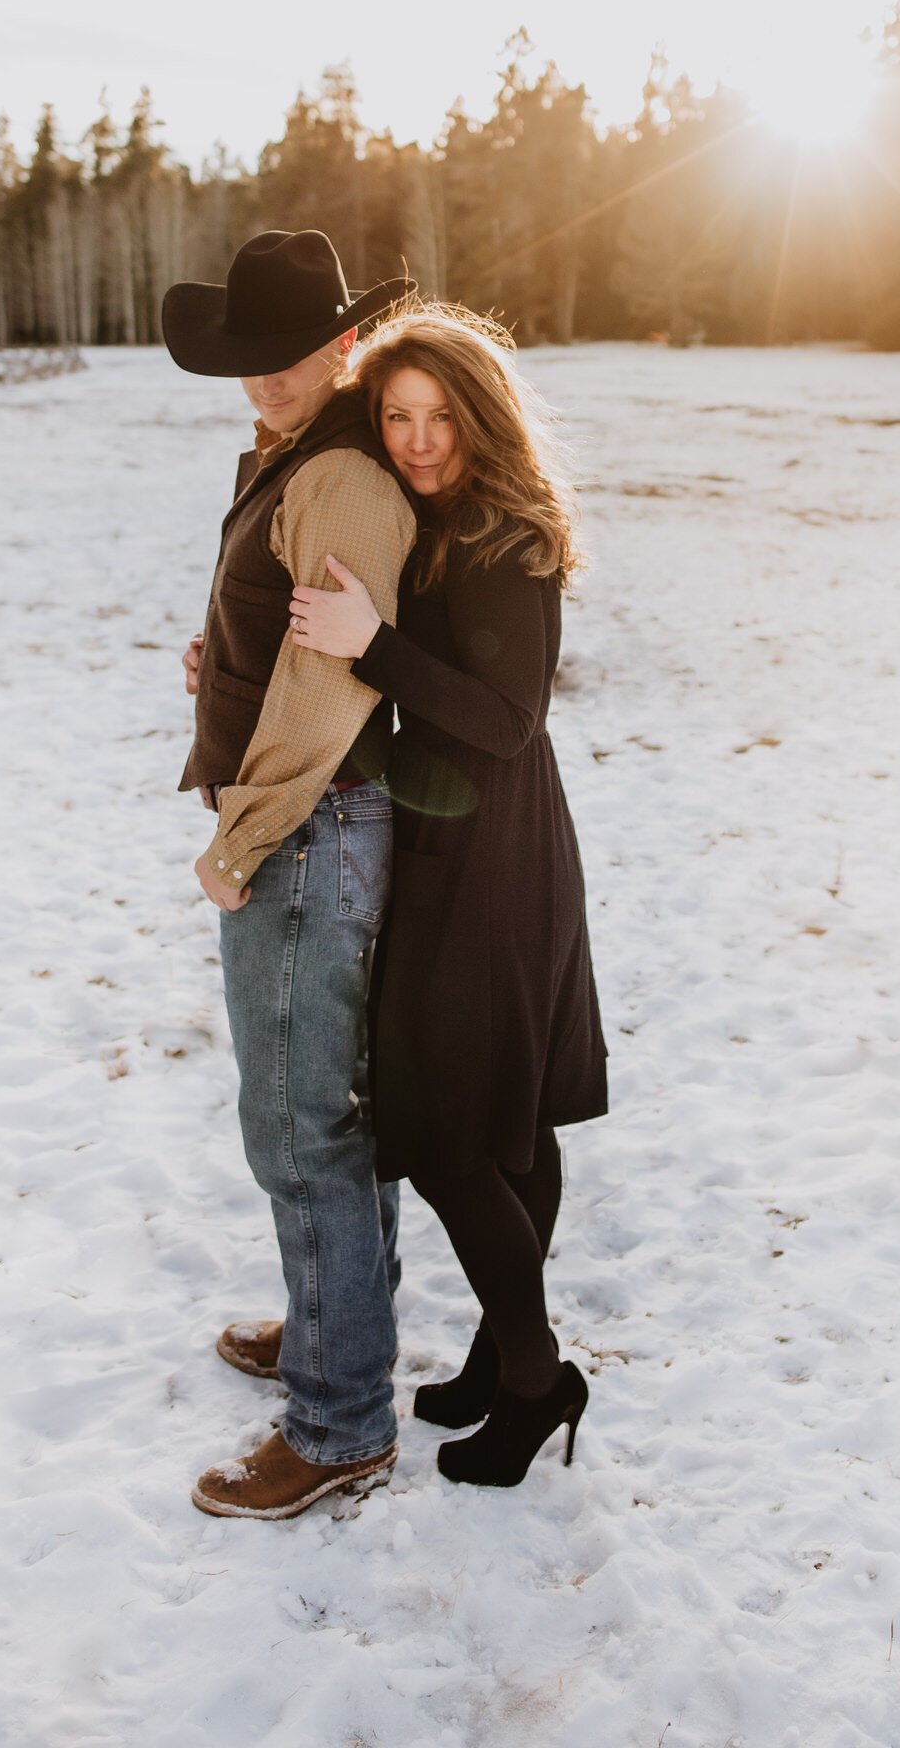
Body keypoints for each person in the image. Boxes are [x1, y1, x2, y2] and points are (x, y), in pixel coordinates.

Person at [289, 301, 608, 1488]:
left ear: (479, 417)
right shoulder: (429, 525)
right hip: (469, 841)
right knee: (507, 1114)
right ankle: (496, 1359)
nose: (418, 440)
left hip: (494, 856)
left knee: (449, 1133)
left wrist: (373, 641)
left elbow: (506, 716)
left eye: (438, 416)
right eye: (395, 416)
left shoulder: (502, 537)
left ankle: (534, 1382)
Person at [160, 228, 417, 1520]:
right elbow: (289, 643)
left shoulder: (341, 477)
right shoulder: (292, 455)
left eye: (289, 355)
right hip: (304, 820)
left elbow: (329, 694)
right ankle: (337, 1332)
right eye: (250, 360)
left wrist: (241, 836)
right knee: (319, 1110)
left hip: (309, 829)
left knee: (300, 1121)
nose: (265, 378)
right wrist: (225, 664)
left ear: (343, 344)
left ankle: (337, 1423)